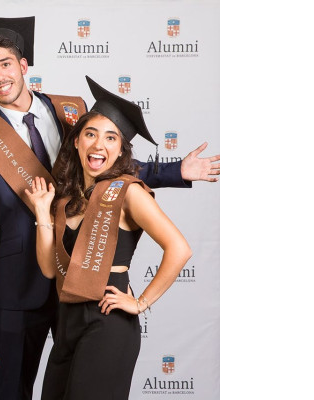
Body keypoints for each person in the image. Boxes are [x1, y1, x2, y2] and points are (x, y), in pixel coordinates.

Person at [0, 12, 219, 400]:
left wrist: (175, 169)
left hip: (86, 281)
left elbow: (108, 165)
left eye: (5, 64)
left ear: (23, 65)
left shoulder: (72, 109)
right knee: (16, 389)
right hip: (23, 283)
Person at [25, 75, 192, 399]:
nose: (98, 144)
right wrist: (43, 213)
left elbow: (179, 248)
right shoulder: (64, 200)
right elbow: (48, 269)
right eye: (90, 134)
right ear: (76, 141)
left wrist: (141, 302)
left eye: (110, 138)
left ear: (119, 150)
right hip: (67, 320)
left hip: (108, 319)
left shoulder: (129, 193)